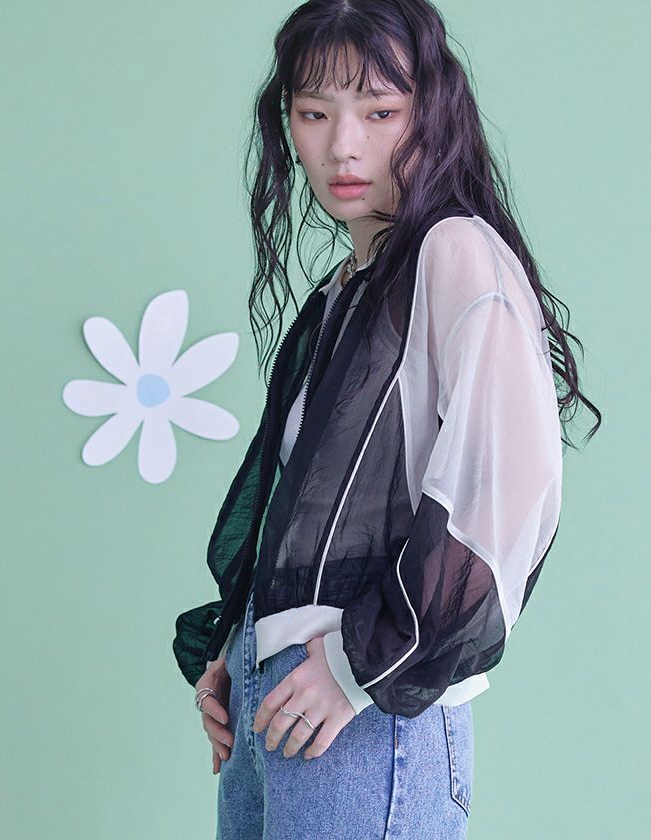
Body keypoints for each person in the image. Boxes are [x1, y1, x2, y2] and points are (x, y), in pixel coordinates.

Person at [173, 2, 602, 837]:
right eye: (314, 113)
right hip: (284, 705)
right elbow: (304, 510)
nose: (343, 147)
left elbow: (507, 490)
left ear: (431, 111)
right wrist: (240, 648)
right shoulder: (342, 290)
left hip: (367, 718)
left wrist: (355, 664)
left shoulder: (454, 251)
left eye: (379, 112)